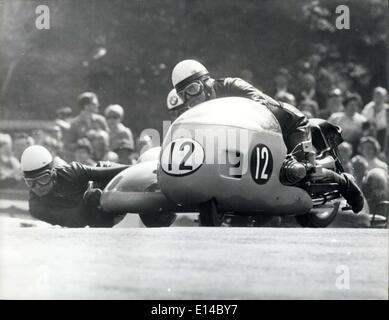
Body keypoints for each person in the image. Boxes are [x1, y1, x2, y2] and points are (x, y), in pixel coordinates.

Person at [169, 59, 364, 213]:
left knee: (301, 171)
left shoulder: (233, 85)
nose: (190, 98)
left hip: (289, 125)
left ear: (205, 82)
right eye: (184, 95)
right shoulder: (202, 108)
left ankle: (344, 181)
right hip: (258, 136)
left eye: (193, 89)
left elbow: (258, 105)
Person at [20, 145, 129, 227]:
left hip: (102, 194)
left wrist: (140, 167)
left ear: (53, 174)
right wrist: (87, 202)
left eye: (43, 178)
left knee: (104, 166)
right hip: (91, 218)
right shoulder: (35, 207)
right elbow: (72, 221)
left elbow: (116, 171)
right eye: (30, 182)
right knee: (94, 203)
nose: (38, 187)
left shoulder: (71, 172)